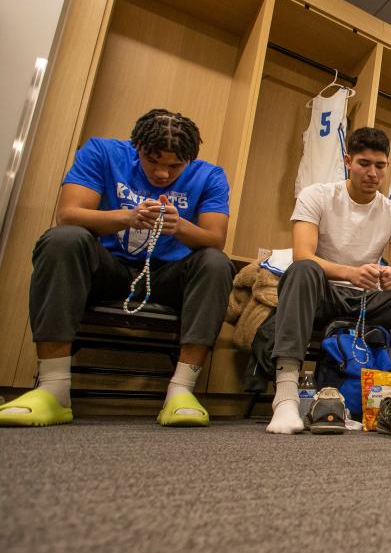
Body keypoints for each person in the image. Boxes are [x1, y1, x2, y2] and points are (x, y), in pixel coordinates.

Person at [0, 109, 235, 427]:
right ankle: (53, 390)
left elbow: (214, 238)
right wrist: (128, 217)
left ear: (190, 159)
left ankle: (181, 392)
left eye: (174, 166)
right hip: (107, 269)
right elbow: (68, 214)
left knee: (215, 262)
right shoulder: (102, 152)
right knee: (63, 239)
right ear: (137, 147)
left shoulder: (210, 175)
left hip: (167, 276)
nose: (163, 173)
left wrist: (178, 226)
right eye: (153, 160)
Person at [268, 127, 391, 436]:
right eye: (364, 163)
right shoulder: (317, 195)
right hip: (326, 293)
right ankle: (286, 395)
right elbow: (304, 254)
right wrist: (350, 272)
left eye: (380, 165)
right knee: (303, 269)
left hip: (371, 298)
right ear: (348, 160)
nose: (372, 172)